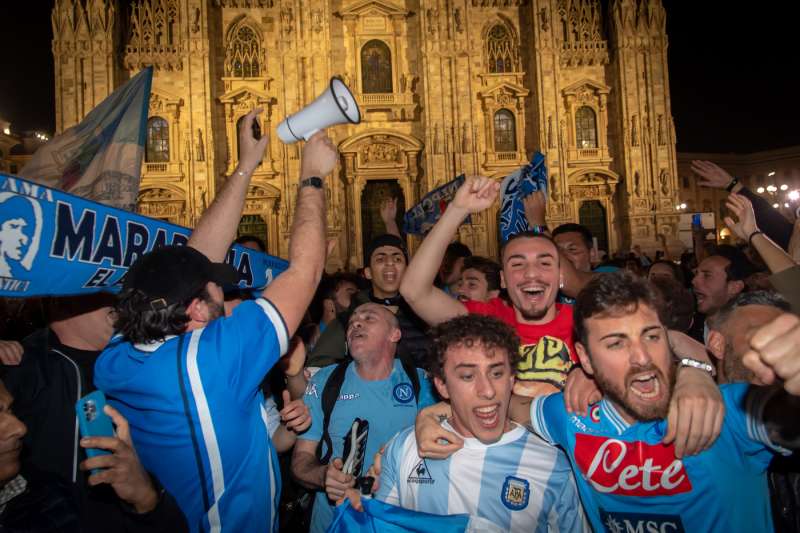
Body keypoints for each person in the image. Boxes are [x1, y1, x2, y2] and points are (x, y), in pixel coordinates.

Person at [94, 110, 336, 532]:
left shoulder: (118, 353)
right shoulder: (209, 362)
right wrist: (312, 178)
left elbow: (198, 254)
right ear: (195, 310)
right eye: (218, 290)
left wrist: (246, 166)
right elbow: (305, 272)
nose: (227, 296)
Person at [518, 272, 799, 531]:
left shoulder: (726, 409)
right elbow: (500, 404)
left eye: (651, 336)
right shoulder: (571, 415)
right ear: (587, 358)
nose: (642, 357)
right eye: (616, 343)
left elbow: (788, 417)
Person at [369, 314, 589, 531]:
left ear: (512, 378)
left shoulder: (552, 465)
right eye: (467, 376)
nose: (488, 390)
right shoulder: (406, 447)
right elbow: (379, 524)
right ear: (442, 385)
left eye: (497, 373)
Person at [0, 293, 188, 531]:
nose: (117, 300)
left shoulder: (139, 355)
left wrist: (147, 498)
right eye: (100, 291)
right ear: (61, 302)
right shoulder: (22, 365)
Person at [400, 176, 577, 397]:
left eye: (544, 263)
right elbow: (414, 291)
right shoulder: (487, 321)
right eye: (518, 264)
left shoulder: (586, 323)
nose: (531, 273)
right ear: (503, 280)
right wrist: (457, 209)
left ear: (560, 276)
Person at [291, 303, 437, 533]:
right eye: (351, 323)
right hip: (333, 523)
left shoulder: (423, 385)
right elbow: (301, 460)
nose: (356, 323)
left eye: (369, 318)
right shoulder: (325, 382)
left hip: (396, 523)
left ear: (394, 334)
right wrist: (323, 476)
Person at [307, 234, 430, 369]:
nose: (390, 262)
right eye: (380, 259)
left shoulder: (425, 314)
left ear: (406, 270)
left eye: (397, 258)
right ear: (368, 273)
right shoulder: (349, 320)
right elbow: (318, 367)